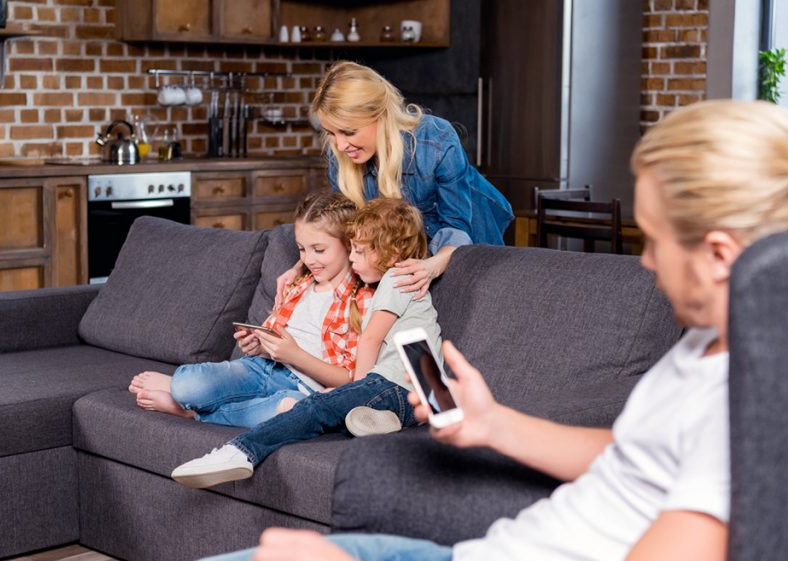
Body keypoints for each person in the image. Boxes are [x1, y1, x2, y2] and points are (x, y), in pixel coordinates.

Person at [200, 100, 788, 561]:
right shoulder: (705, 345)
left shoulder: (758, 402)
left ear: (721, 254)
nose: (644, 261)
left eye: (657, 240)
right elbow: (638, 458)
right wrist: (494, 425)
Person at [170, 197, 444, 489]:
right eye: (351, 250)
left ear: (393, 253)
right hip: (420, 396)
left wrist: (353, 390)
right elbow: (424, 355)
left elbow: (370, 340)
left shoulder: (395, 279)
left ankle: (239, 452)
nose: (352, 259)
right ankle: (379, 419)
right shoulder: (408, 285)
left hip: (390, 385)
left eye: (359, 252)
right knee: (335, 408)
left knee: (316, 408)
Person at [129, 192, 373, 429]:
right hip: (261, 368)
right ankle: (188, 395)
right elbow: (272, 340)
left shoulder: (361, 300)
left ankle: (193, 412)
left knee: (291, 410)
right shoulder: (297, 285)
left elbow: (350, 379)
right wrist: (258, 344)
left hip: (305, 389)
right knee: (186, 385)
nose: (308, 260)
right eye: (301, 249)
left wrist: (295, 355)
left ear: (349, 245)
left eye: (318, 250)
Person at [277, 61, 514, 301]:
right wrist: (302, 269)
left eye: (348, 132)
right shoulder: (340, 155)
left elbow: (456, 226)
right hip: (406, 253)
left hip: (465, 238)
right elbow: (341, 228)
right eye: (331, 133)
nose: (339, 145)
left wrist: (430, 267)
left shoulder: (435, 140)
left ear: (381, 116)